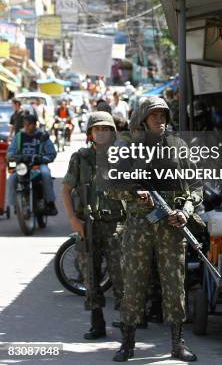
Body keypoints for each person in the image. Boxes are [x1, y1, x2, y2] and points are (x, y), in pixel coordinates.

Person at [112, 96, 201, 363]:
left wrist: (185, 211)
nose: (160, 120)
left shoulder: (178, 147)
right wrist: (134, 192)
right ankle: (128, 343)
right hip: (139, 227)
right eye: (154, 115)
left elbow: (196, 186)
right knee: (134, 284)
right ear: (143, 118)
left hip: (172, 227)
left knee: (174, 284)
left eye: (163, 115)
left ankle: (177, 343)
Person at [62, 111, 125, 340]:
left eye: (106, 129)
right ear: (90, 133)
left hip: (117, 225)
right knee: (90, 276)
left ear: (113, 132)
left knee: (122, 276)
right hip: (88, 226)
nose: (102, 133)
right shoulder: (80, 158)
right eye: (97, 129)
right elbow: (66, 190)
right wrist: (73, 219)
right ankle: (97, 323)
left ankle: (127, 326)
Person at [7, 111, 58, 215]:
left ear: (35, 125)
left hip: (38, 165)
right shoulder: (19, 136)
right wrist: (11, 156)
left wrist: (43, 159)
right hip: (23, 165)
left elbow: (52, 153)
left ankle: (50, 203)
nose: (26, 126)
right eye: (25, 124)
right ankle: (16, 205)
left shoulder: (42, 136)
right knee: (12, 178)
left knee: (46, 174)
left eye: (28, 124)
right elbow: (11, 150)